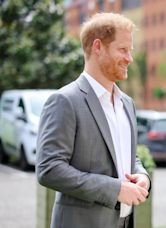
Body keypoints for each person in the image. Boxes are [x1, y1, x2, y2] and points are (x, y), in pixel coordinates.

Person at [36, 13, 150, 228]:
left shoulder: (127, 103)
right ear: (98, 47)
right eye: (123, 50)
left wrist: (141, 175)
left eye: (130, 51)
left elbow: (128, 155)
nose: (130, 59)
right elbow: (49, 168)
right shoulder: (64, 101)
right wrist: (114, 189)